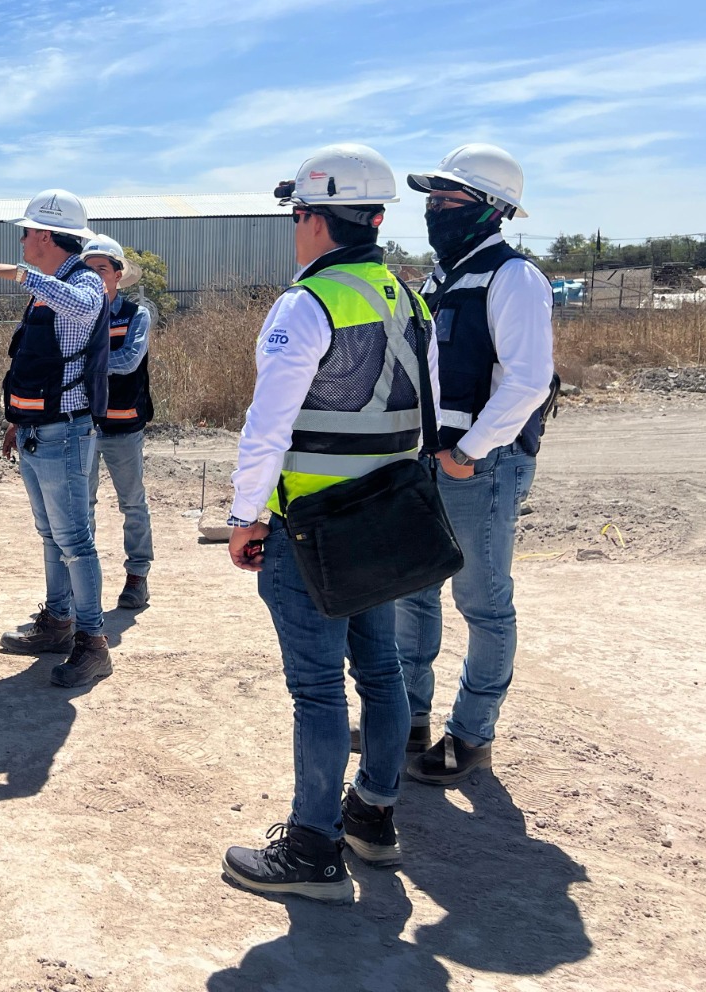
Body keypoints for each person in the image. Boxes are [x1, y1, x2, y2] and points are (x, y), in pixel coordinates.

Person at [221, 143, 439, 903]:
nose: (295, 228)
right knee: (381, 673)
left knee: (317, 690)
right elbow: (423, 415)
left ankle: (313, 849)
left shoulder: (308, 303)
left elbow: (267, 426)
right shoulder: (406, 297)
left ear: (315, 219)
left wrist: (246, 516)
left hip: (312, 526)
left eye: (297, 215)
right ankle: (373, 818)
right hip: (383, 520)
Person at [393, 144, 554, 785]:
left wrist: (468, 452)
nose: (435, 209)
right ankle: (407, 720)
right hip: (432, 463)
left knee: (482, 604)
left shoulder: (513, 278)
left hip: (479, 466)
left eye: (448, 199)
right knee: (413, 593)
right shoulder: (440, 279)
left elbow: (528, 381)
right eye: (432, 199)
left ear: (492, 209)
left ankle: (471, 734)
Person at [0, 189, 112, 688]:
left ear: (47, 236)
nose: (23, 241)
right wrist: (17, 419)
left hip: (65, 432)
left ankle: (92, 643)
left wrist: (21, 275)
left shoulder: (84, 281)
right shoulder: (49, 286)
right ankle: (58, 622)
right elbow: (37, 363)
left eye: (27, 232)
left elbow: (85, 308)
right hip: (38, 429)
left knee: (74, 540)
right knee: (52, 535)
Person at [80, 234, 155, 610]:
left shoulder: (135, 315)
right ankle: (83, 581)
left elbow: (128, 361)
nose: (95, 276)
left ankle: (137, 576)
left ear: (117, 274)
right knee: (82, 507)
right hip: (81, 426)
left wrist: (82, 363)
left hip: (123, 426)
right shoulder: (75, 315)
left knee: (132, 503)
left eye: (102, 269)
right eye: (88, 270)